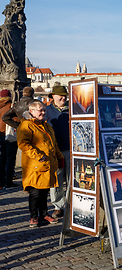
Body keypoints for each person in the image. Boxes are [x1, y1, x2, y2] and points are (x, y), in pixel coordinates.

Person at [17, 100, 64, 227]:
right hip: (35, 165)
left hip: (47, 165)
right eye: (40, 110)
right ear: (31, 112)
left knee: (44, 192)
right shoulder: (26, 125)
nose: (43, 112)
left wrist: (60, 158)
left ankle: (44, 214)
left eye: (44, 110)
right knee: (35, 193)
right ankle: (33, 216)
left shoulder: (47, 126)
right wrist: (38, 156)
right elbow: (23, 144)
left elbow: (54, 145)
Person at [45, 85, 70, 219]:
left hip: (71, 150)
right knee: (57, 181)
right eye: (60, 95)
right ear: (53, 96)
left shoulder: (71, 109)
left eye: (65, 95)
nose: (63, 98)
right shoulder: (46, 111)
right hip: (55, 152)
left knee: (71, 179)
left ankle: (72, 204)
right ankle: (58, 206)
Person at [0, 89, 19, 189]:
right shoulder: (10, 107)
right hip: (9, 136)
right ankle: (8, 181)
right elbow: (15, 120)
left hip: (0, 135)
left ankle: (1, 181)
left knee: (1, 159)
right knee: (10, 159)